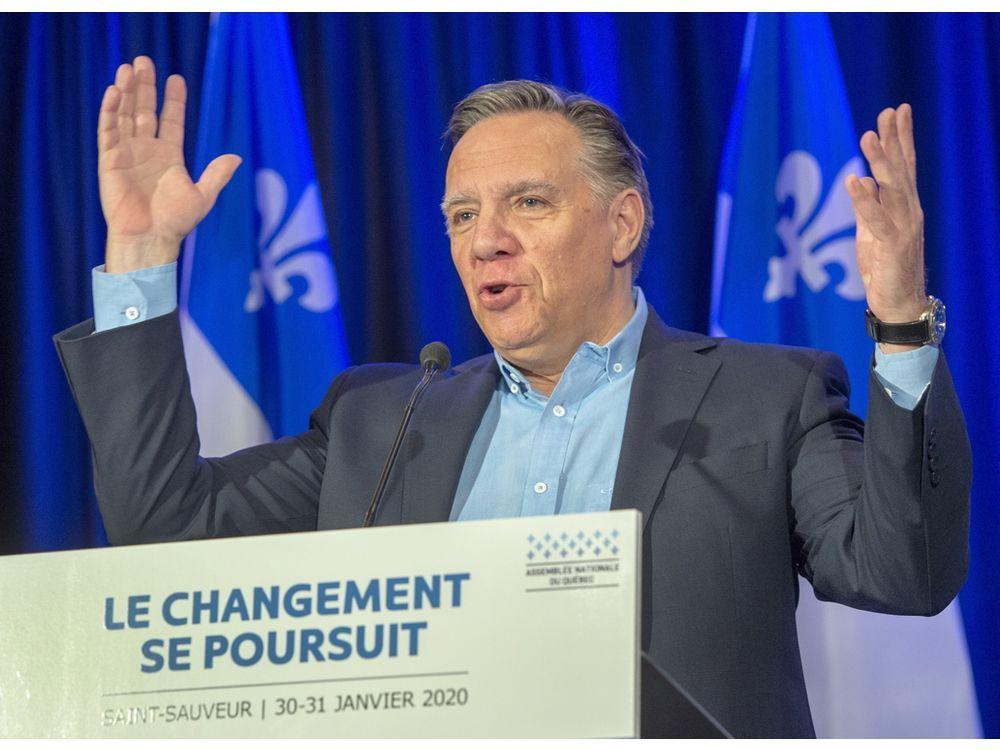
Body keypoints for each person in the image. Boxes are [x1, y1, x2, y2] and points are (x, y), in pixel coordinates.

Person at [55, 56, 970, 738]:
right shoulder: (384, 423)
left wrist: (899, 324)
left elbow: (904, 572)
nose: (484, 240)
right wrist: (140, 255)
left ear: (622, 223)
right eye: (461, 215)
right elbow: (166, 529)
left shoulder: (765, 398)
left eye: (527, 203)